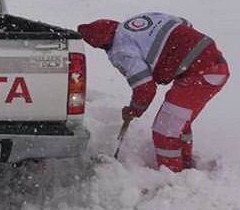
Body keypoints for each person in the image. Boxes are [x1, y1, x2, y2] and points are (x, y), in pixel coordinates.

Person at [77, 12, 229, 172]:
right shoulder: (139, 20)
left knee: (165, 130)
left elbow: (145, 87)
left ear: (101, 44)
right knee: (178, 125)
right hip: (213, 63)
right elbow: (185, 23)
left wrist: (134, 110)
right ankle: (185, 167)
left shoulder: (121, 50)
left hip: (201, 74)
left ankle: (173, 178)